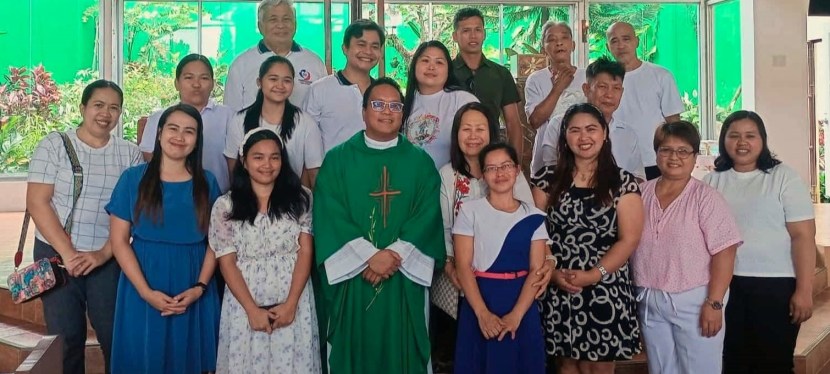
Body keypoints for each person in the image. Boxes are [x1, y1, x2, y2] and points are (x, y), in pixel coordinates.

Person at [313, 77, 444, 373]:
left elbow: (428, 215)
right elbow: (329, 213)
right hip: (353, 280)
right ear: (363, 111)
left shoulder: (420, 163)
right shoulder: (337, 160)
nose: (387, 111)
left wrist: (390, 256)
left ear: (403, 113)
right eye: (378, 104)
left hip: (403, 278)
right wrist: (370, 257)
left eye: (395, 105)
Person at [26, 80, 141, 374]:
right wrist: (69, 254)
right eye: (98, 105)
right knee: (65, 338)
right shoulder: (54, 145)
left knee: (114, 335)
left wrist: (103, 254)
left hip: (108, 254)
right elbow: (38, 203)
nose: (106, 114)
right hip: (57, 255)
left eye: (114, 107)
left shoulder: (129, 154)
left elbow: (133, 212)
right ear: (83, 108)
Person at [107, 104, 221, 373]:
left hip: (193, 285)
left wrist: (200, 288)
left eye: (189, 131)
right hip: (142, 284)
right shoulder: (132, 179)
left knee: (190, 361)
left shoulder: (208, 183)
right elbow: (119, 241)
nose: (179, 137)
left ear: (197, 140)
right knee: (144, 360)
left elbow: (217, 243)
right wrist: (146, 292)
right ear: (159, 134)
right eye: (173, 128)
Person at [531, 103, 644, 374]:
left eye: (591, 129)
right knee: (564, 364)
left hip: (606, 284)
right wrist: (553, 272)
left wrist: (596, 274)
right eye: (575, 130)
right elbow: (537, 234)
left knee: (598, 366)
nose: (584, 137)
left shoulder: (623, 183)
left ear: (604, 134)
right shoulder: (545, 180)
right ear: (565, 138)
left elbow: (628, 240)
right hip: (558, 282)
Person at [433, 102, 545, 372]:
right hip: (461, 276)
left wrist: (546, 263)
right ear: (456, 134)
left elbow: (530, 224)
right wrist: (453, 267)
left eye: (480, 128)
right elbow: (445, 227)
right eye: (466, 129)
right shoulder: (447, 175)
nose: (473, 135)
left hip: (515, 284)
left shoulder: (510, 173)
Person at [703, 110, 817, 374]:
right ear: (724, 141)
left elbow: (803, 236)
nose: (742, 142)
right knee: (733, 361)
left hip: (776, 286)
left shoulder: (783, 177)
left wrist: (804, 290)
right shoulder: (713, 181)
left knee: (773, 362)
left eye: (750, 136)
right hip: (729, 285)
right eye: (734, 136)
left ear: (762, 140)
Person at [631, 121, 742, 374]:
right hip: (650, 298)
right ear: (656, 153)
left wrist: (714, 304)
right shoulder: (640, 193)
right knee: (661, 369)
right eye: (666, 150)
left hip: (696, 298)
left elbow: (725, 251)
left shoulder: (705, 197)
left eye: (683, 151)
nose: (674, 157)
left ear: (694, 156)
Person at [210, 127, 320, 373]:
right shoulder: (225, 206)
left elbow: (305, 252)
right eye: (258, 157)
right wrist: (252, 309)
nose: (267, 164)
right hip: (244, 305)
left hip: (293, 300)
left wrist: (291, 304)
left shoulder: (302, 198)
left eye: (275, 157)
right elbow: (226, 261)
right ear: (244, 161)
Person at [453, 142, 547, 374]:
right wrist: (483, 314)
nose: (500, 173)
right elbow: (463, 266)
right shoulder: (469, 211)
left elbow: (536, 269)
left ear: (517, 170)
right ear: (483, 175)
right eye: (491, 168)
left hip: (521, 302)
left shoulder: (534, 216)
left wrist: (516, 316)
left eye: (505, 166)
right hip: (481, 299)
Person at [224, 56, 324, 189]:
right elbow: (233, 170)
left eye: (287, 80)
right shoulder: (239, 121)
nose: (280, 86)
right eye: (273, 79)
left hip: (291, 201)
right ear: (259, 82)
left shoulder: (306, 123)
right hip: (248, 201)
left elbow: (314, 173)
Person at [140, 54, 234, 192]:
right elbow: (149, 157)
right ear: (176, 83)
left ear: (213, 84)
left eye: (204, 78)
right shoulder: (158, 118)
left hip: (219, 197)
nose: (196, 84)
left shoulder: (229, 116)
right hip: (169, 194)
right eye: (189, 77)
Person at [540, 57, 645, 180]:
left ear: (622, 92)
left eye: (616, 88)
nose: (609, 95)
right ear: (586, 89)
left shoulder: (627, 133)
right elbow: (551, 173)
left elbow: (639, 178)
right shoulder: (560, 124)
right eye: (602, 87)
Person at [606, 22, 684, 180]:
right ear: (608, 47)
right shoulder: (602, 80)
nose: (621, 45)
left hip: (654, 161)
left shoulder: (661, 75)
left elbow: (674, 123)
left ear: (637, 42)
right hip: (612, 162)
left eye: (626, 39)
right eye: (614, 41)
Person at [224, 0, 327, 111]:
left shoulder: (314, 62)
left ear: (295, 24)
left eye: (286, 19)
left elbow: (325, 108)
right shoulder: (241, 65)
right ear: (260, 26)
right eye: (273, 20)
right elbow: (231, 114)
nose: (281, 25)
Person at [303, 19, 385, 153]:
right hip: (333, 172)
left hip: (378, 171)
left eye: (375, 46)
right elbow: (307, 140)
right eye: (361, 44)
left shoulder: (383, 93)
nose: (368, 51)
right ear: (345, 48)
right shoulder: (319, 90)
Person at [451, 7, 524, 155]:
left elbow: (513, 123)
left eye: (478, 30)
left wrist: (515, 164)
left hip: (492, 154)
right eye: (466, 31)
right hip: (453, 154)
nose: (473, 36)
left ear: (484, 34)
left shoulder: (501, 74)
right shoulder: (446, 72)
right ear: (455, 36)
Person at [402, 40, 478, 168]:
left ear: (448, 70)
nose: (431, 67)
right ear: (414, 65)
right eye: (425, 61)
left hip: (452, 185)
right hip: (413, 185)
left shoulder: (463, 101)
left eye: (439, 62)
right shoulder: (403, 104)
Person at [525, 21, 586, 175]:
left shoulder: (588, 77)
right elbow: (535, 121)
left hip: (584, 161)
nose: (559, 43)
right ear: (543, 48)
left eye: (564, 38)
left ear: (573, 45)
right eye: (551, 39)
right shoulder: (535, 80)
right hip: (545, 164)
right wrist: (558, 88)